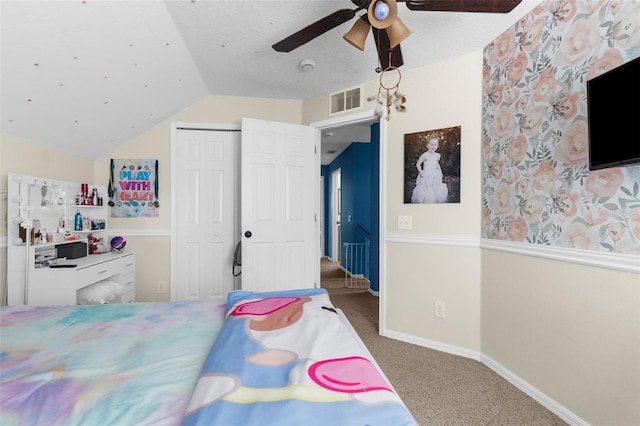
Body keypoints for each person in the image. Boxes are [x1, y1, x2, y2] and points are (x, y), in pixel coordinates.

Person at [411, 136, 448, 203]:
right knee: (426, 187)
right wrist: (421, 172)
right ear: (427, 145)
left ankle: (435, 198)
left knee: (435, 186)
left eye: (435, 145)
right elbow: (418, 164)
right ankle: (426, 199)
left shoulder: (436, 155)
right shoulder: (425, 155)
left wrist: (440, 172)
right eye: (432, 145)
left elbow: (437, 164)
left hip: (434, 174)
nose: (433, 146)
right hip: (426, 174)